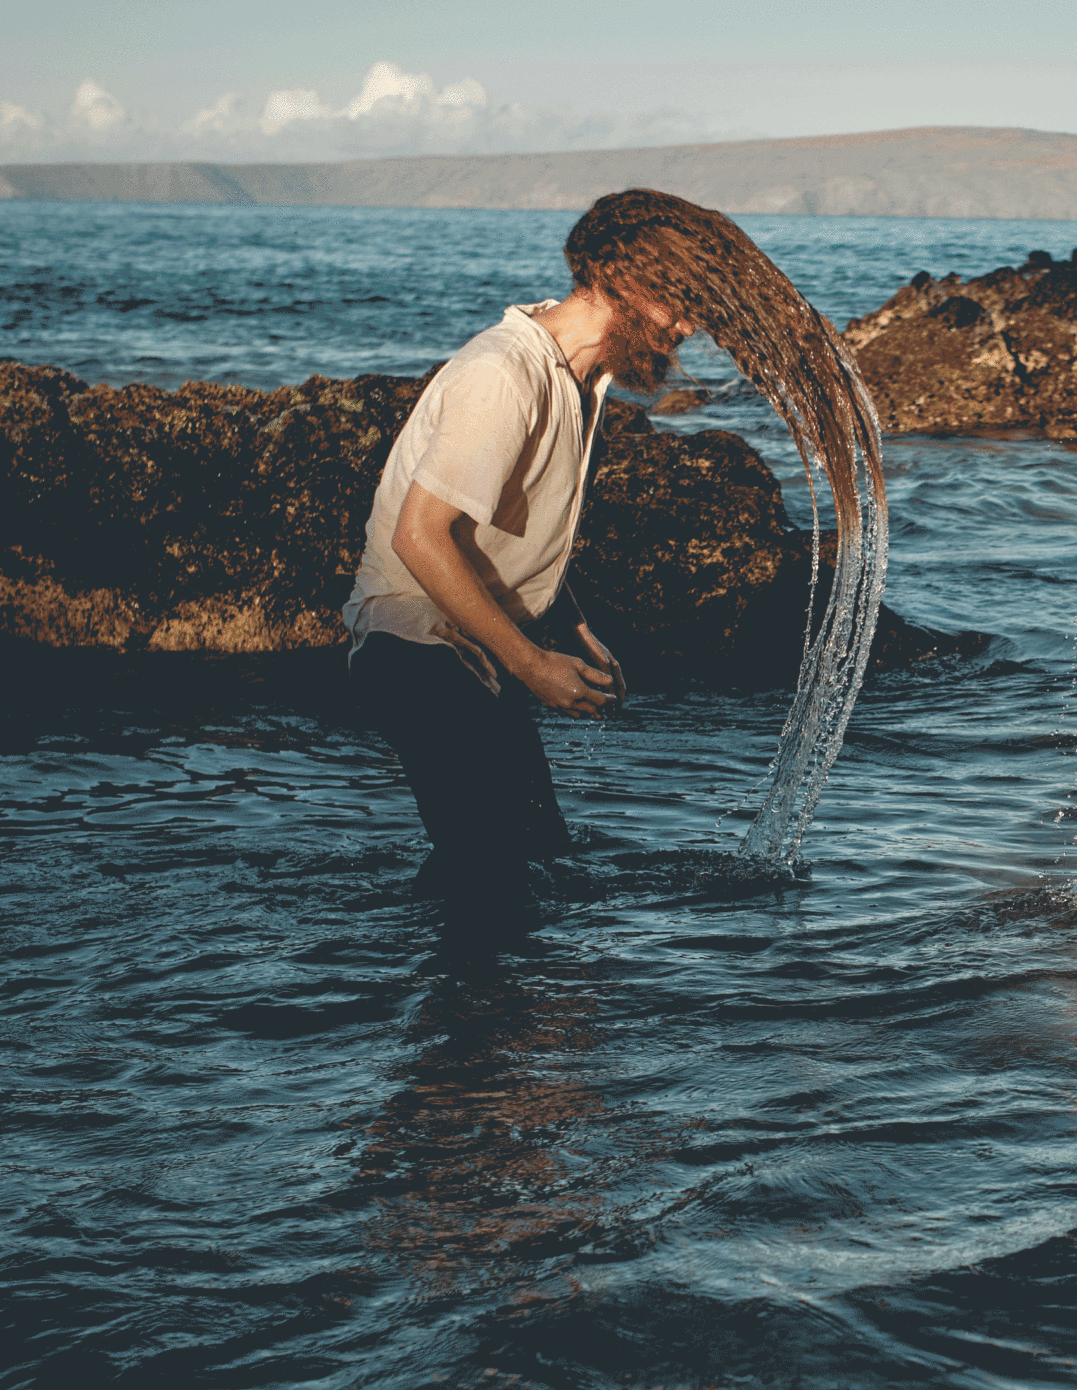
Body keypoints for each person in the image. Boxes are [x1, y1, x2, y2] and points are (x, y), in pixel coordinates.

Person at [343, 188, 885, 897]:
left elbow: (517, 530)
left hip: (469, 644)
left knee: (537, 859)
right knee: (489, 868)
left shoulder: (584, 382)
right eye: (676, 302)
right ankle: (437, 1001)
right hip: (411, 649)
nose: (687, 324)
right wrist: (534, 666)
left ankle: (479, 998)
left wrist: (573, 629)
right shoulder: (505, 373)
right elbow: (420, 538)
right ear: (621, 281)